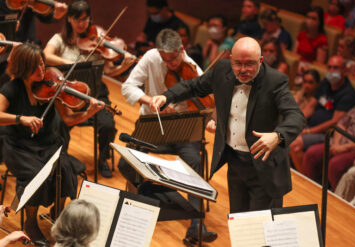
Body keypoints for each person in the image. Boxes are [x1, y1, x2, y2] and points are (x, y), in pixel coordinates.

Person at [150, 37, 306, 214]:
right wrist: (167, 96)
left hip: (263, 167)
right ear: (231, 59)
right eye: (238, 63)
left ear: (261, 61)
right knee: (238, 220)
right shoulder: (222, 70)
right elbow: (194, 86)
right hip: (235, 162)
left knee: (260, 229)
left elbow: (296, 116)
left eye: (249, 64)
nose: (243, 70)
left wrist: (277, 136)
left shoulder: (275, 81)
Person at [0, 43, 103, 246]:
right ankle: (30, 222)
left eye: (42, 64)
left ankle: (57, 213)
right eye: (34, 67)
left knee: (64, 168)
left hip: (48, 144)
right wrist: (21, 119)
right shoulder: (11, 89)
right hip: (19, 147)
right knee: (35, 176)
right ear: (23, 68)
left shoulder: (50, 85)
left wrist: (90, 111)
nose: (41, 71)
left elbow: (69, 119)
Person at [120, 29, 217, 243]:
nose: (169, 64)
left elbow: (206, 103)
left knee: (195, 162)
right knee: (125, 163)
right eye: (164, 59)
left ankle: (196, 224)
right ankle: (156, 192)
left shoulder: (193, 68)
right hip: (153, 125)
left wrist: (209, 120)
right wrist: (149, 100)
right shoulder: (151, 57)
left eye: (172, 59)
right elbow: (127, 87)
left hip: (182, 128)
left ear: (181, 50)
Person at [43, 0, 127, 178]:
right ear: (69, 20)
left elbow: (110, 72)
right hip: (67, 96)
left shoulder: (95, 41)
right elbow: (46, 55)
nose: (82, 24)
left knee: (108, 125)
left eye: (85, 19)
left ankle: (103, 159)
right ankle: (61, 162)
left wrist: (124, 66)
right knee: (59, 125)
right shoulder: (60, 40)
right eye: (78, 19)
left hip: (95, 93)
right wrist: (72, 64)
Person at [290, 55, 355, 171]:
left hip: (327, 135)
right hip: (309, 127)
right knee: (285, 132)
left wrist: (308, 131)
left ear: (344, 71)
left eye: (336, 68)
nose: (332, 71)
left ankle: (305, 183)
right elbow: (310, 107)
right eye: (330, 67)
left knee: (295, 144)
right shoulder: (325, 83)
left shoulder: (348, 94)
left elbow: (335, 122)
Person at [301, 99, 355, 187]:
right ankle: (309, 188)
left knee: (335, 165)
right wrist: (336, 144)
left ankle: (334, 196)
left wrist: (346, 147)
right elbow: (342, 123)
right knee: (312, 154)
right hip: (339, 142)